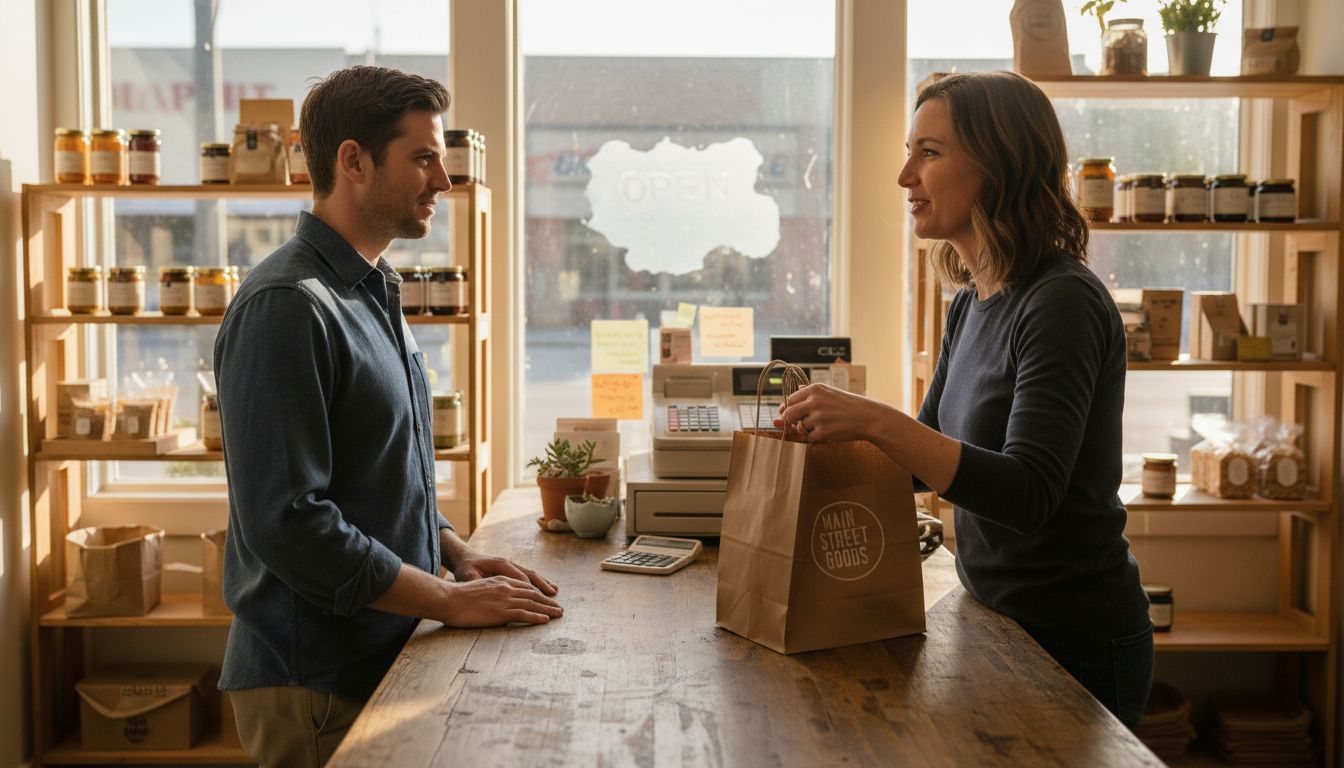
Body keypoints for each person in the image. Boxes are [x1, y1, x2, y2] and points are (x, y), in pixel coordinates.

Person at [776, 71, 1152, 727]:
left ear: (998, 165)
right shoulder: (970, 304)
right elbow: (920, 463)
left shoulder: (1061, 303)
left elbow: (1027, 494)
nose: (904, 177)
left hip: (1075, 642)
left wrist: (871, 417)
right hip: (993, 614)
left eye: (929, 152)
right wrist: (820, 448)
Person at [214, 66, 563, 768]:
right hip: (314, 680)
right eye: (423, 157)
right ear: (353, 161)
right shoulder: (287, 305)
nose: (444, 180)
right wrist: (446, 599)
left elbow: (376, 468)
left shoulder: (372, 288)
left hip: (379, 654)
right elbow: (290, 522)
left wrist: (451, 550)